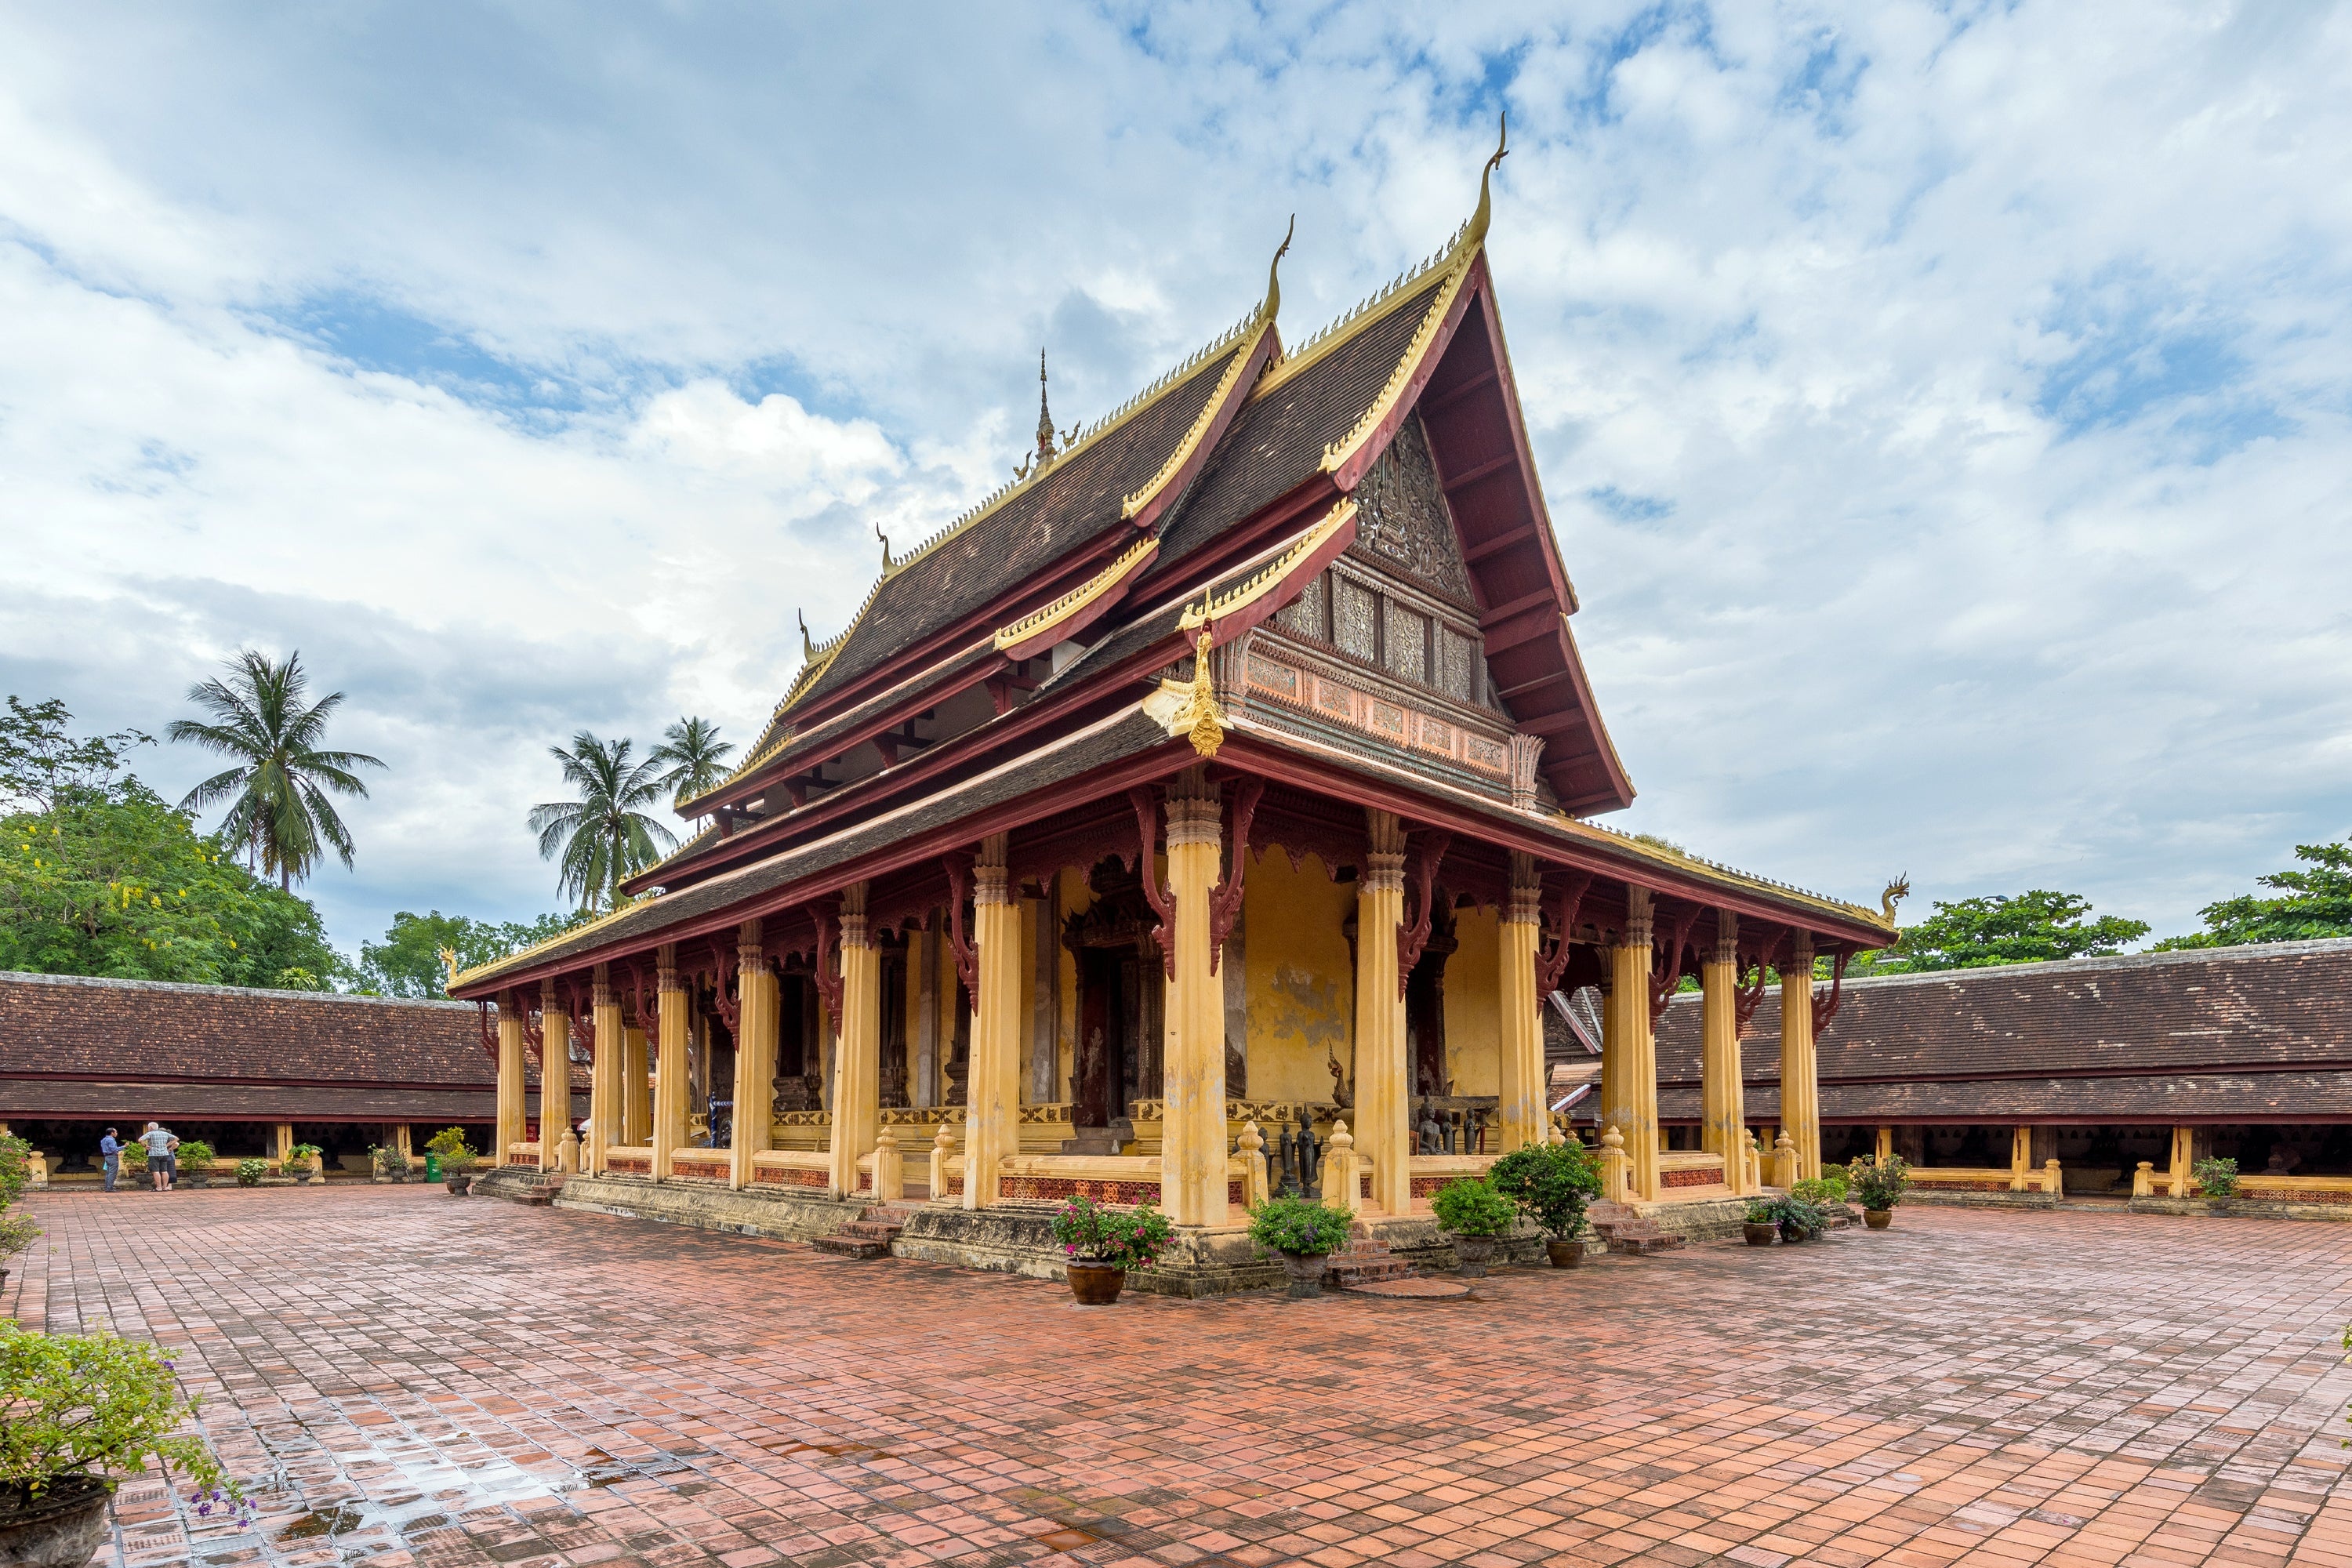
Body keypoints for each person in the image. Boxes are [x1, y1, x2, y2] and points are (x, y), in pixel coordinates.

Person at [140, 1121, 179, 1192]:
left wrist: (145, 1146)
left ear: (150, 1128)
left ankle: (159, 1187)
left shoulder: (150, 1133)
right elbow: (176, 1139)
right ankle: (164, 1187)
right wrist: (167, 1145)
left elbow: (140, 1140)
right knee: (164, 1170)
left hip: (154, 1154)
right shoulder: (165, 1133)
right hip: (164, 1153)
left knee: (155, 1171)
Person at [100, 1127, 122, 1192]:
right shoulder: (111, 1140)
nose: (116, 1133)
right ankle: (110, 1188)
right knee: (112, 1173)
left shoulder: (103, 1140)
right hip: (112, 1157)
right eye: (116, 1132)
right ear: (112, 1133)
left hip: (107, 1157)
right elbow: (114, 1149)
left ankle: (107, 1187)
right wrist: (124, 1147)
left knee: (108, 1173)